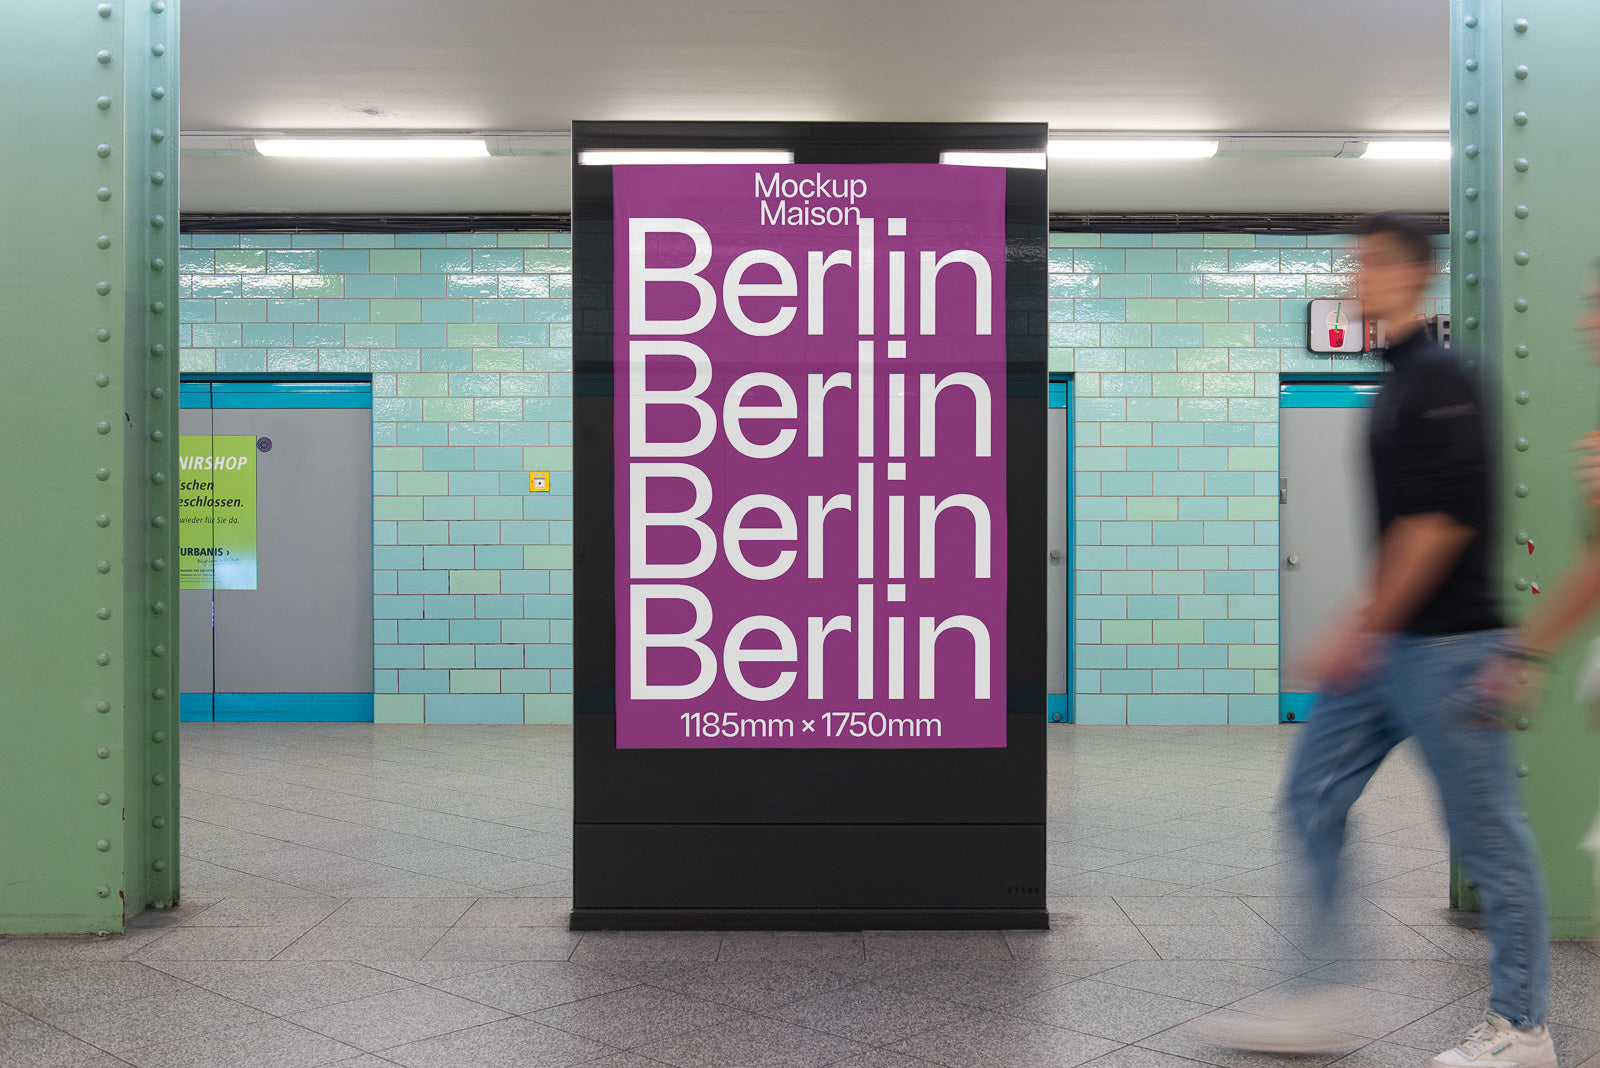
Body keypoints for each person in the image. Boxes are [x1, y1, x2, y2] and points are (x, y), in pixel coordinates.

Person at [1211, 213, 1556, 1068]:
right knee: (1312, 796)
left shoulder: (1442, 378)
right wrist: (1369, 628)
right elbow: (1403, 526)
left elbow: (1437, 527)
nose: (1355, 278)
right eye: (1352, 264)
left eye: (1368, 264)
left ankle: (1523, 1028)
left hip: (1450, 648)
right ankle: (1318, 998)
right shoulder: (1397, 381)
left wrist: (1359, 626)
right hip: (1393, 647)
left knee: (1487, 840)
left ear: (1415, 276)